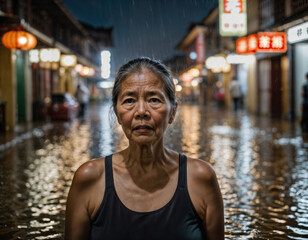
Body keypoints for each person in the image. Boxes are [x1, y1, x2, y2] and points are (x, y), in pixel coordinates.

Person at [65, 57, 224, 240]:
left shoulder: (200, 178)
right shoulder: (90, 179)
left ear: (173, 111)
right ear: (117, 113)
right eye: (129, 100)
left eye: (154, 100)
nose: (141, 111)